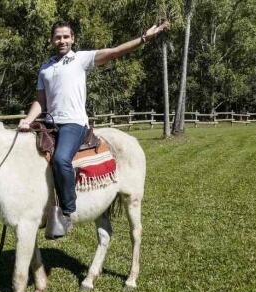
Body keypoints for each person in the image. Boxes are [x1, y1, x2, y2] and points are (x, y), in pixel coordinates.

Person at [18, 20, 169, 238]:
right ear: (52, 40)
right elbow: (40, 101)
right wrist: (27, 120)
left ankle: (67, 213)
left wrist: (144, 38)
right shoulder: (45, 68)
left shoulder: (81, 59)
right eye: (58, 37)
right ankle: (37, 208)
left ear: (73, 39)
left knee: (61, 160)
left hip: (74, 124)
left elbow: (115, 52)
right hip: (50, 123)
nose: (62, 40)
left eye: (66, 37)